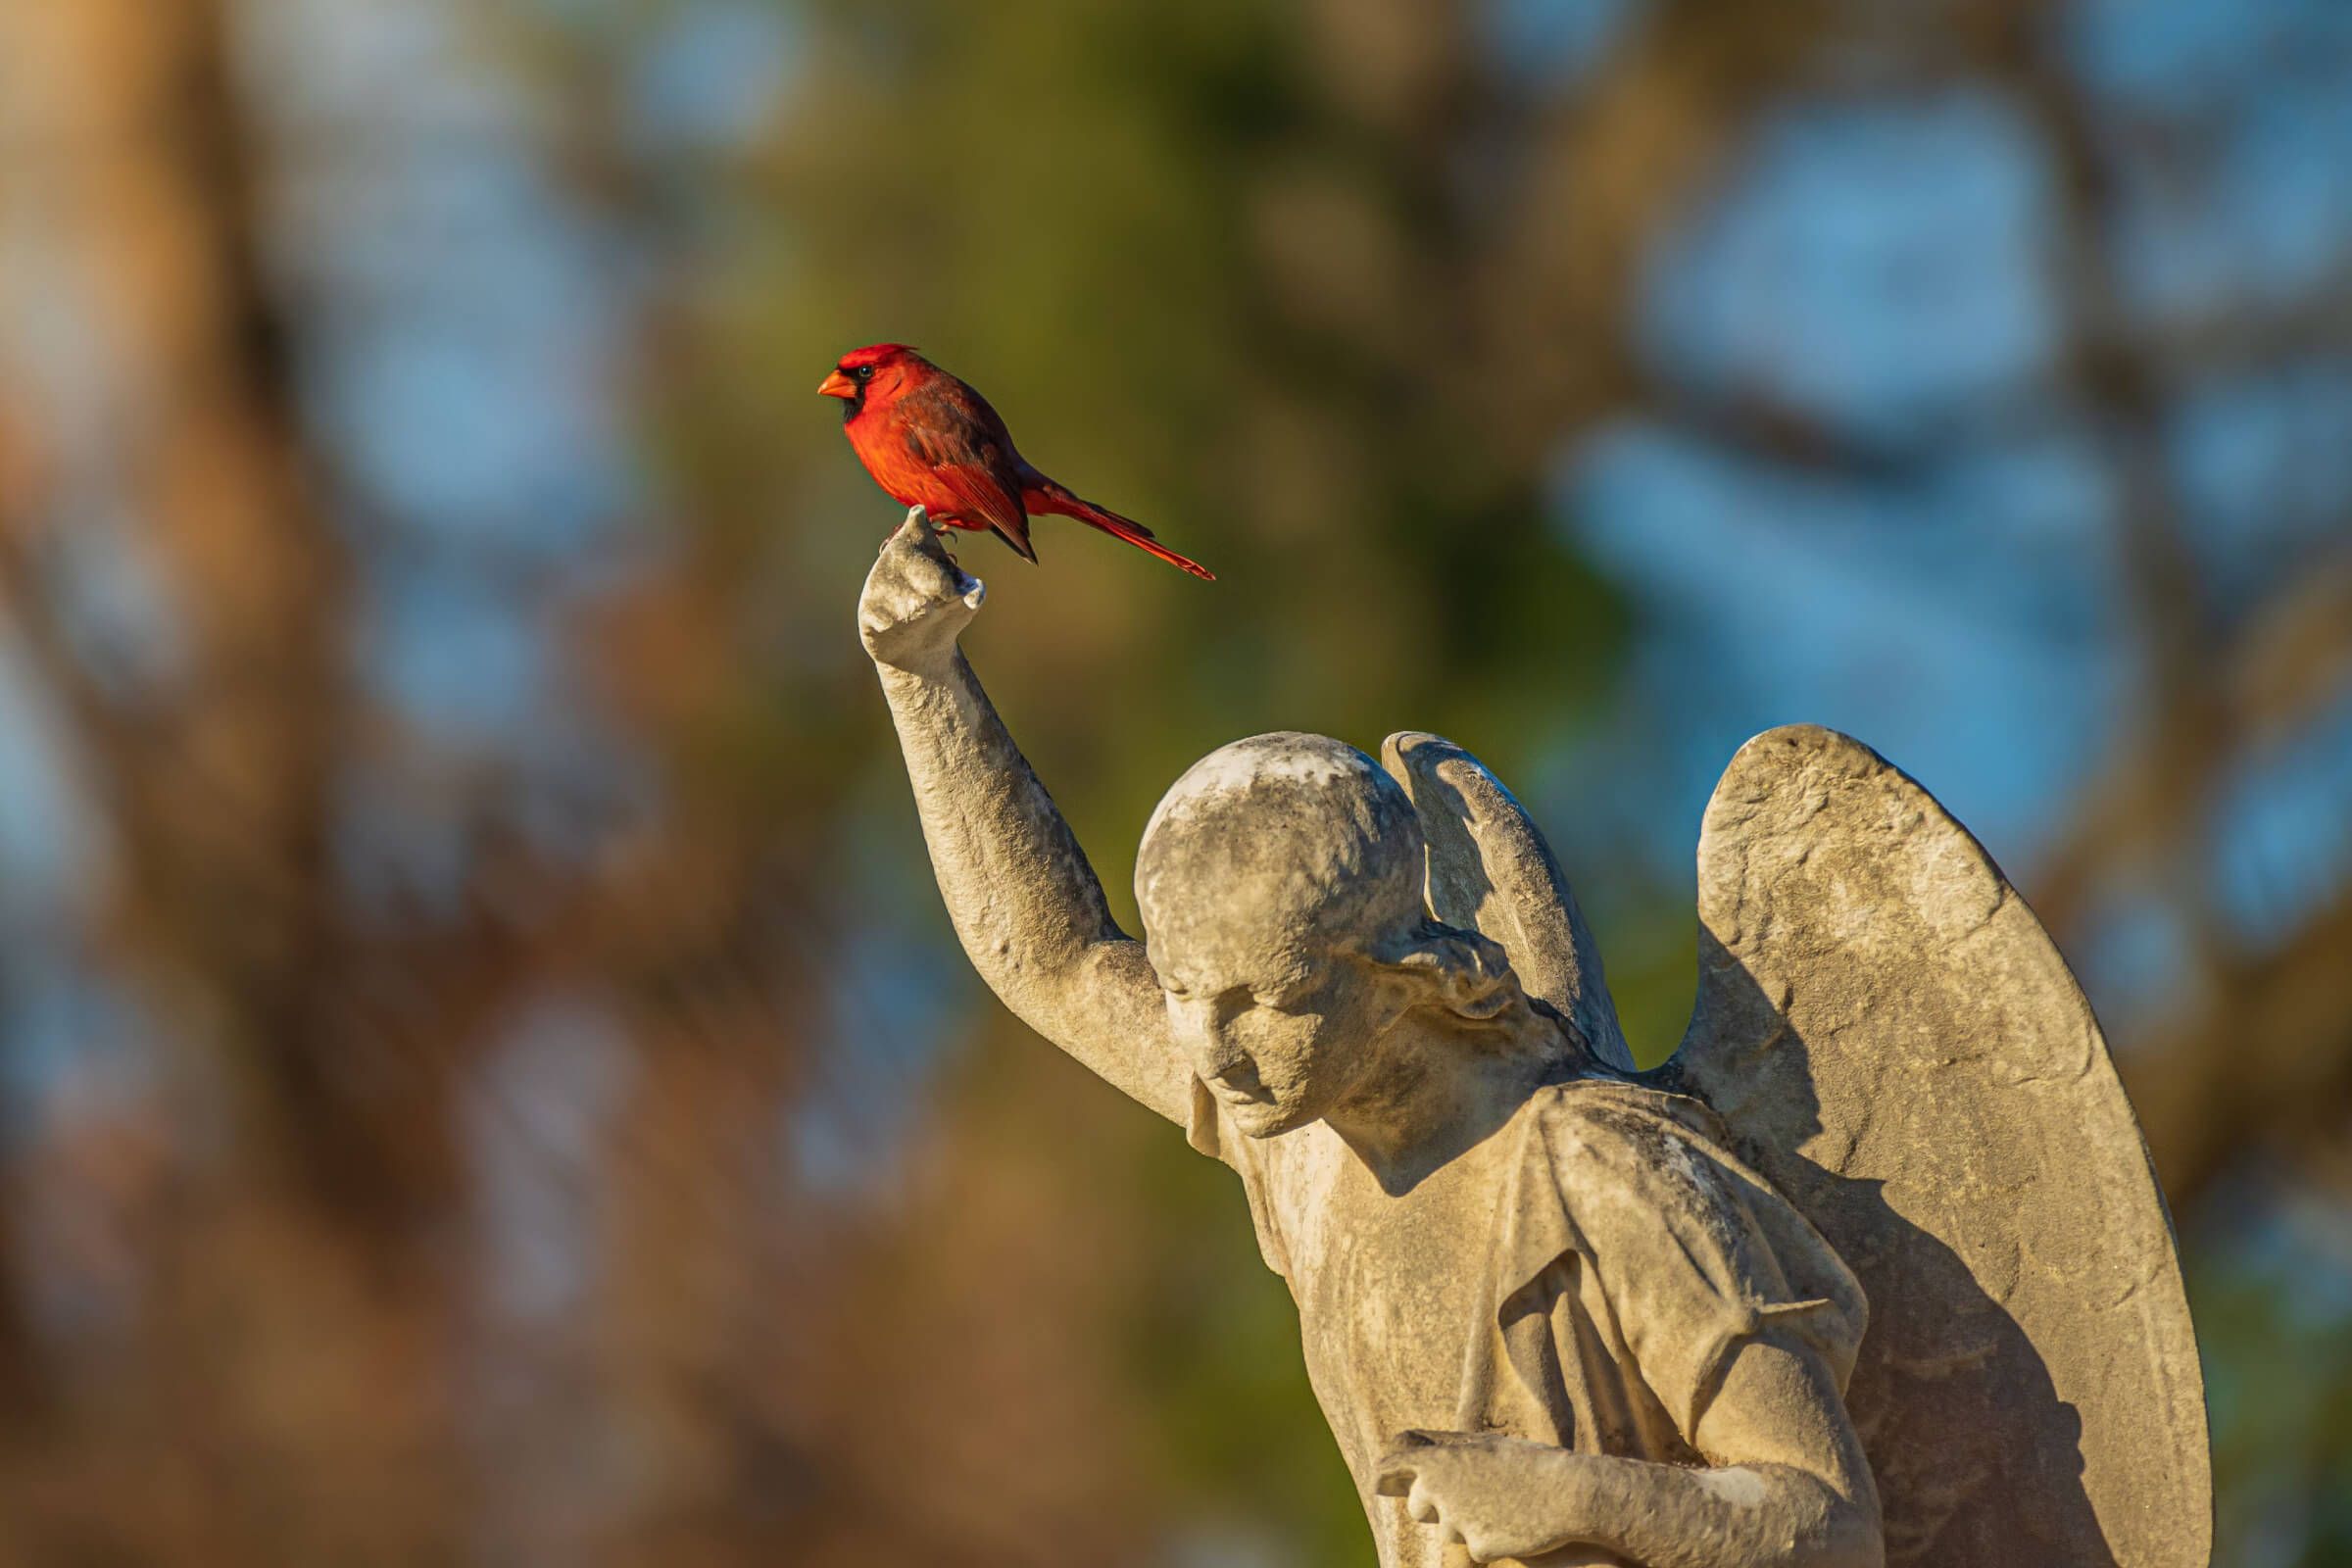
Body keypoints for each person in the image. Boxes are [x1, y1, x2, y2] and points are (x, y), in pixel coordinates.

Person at [859, 513, 1884, 1568]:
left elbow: (1832, 1522)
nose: (1213, 1049)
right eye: (1182, 992)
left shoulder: (1600, 1172)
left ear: (1407, 976)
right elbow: (1058, 960)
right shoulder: (1302, 1140)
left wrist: (1570, 1494)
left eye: (1268, 1000)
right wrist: (923, 679)